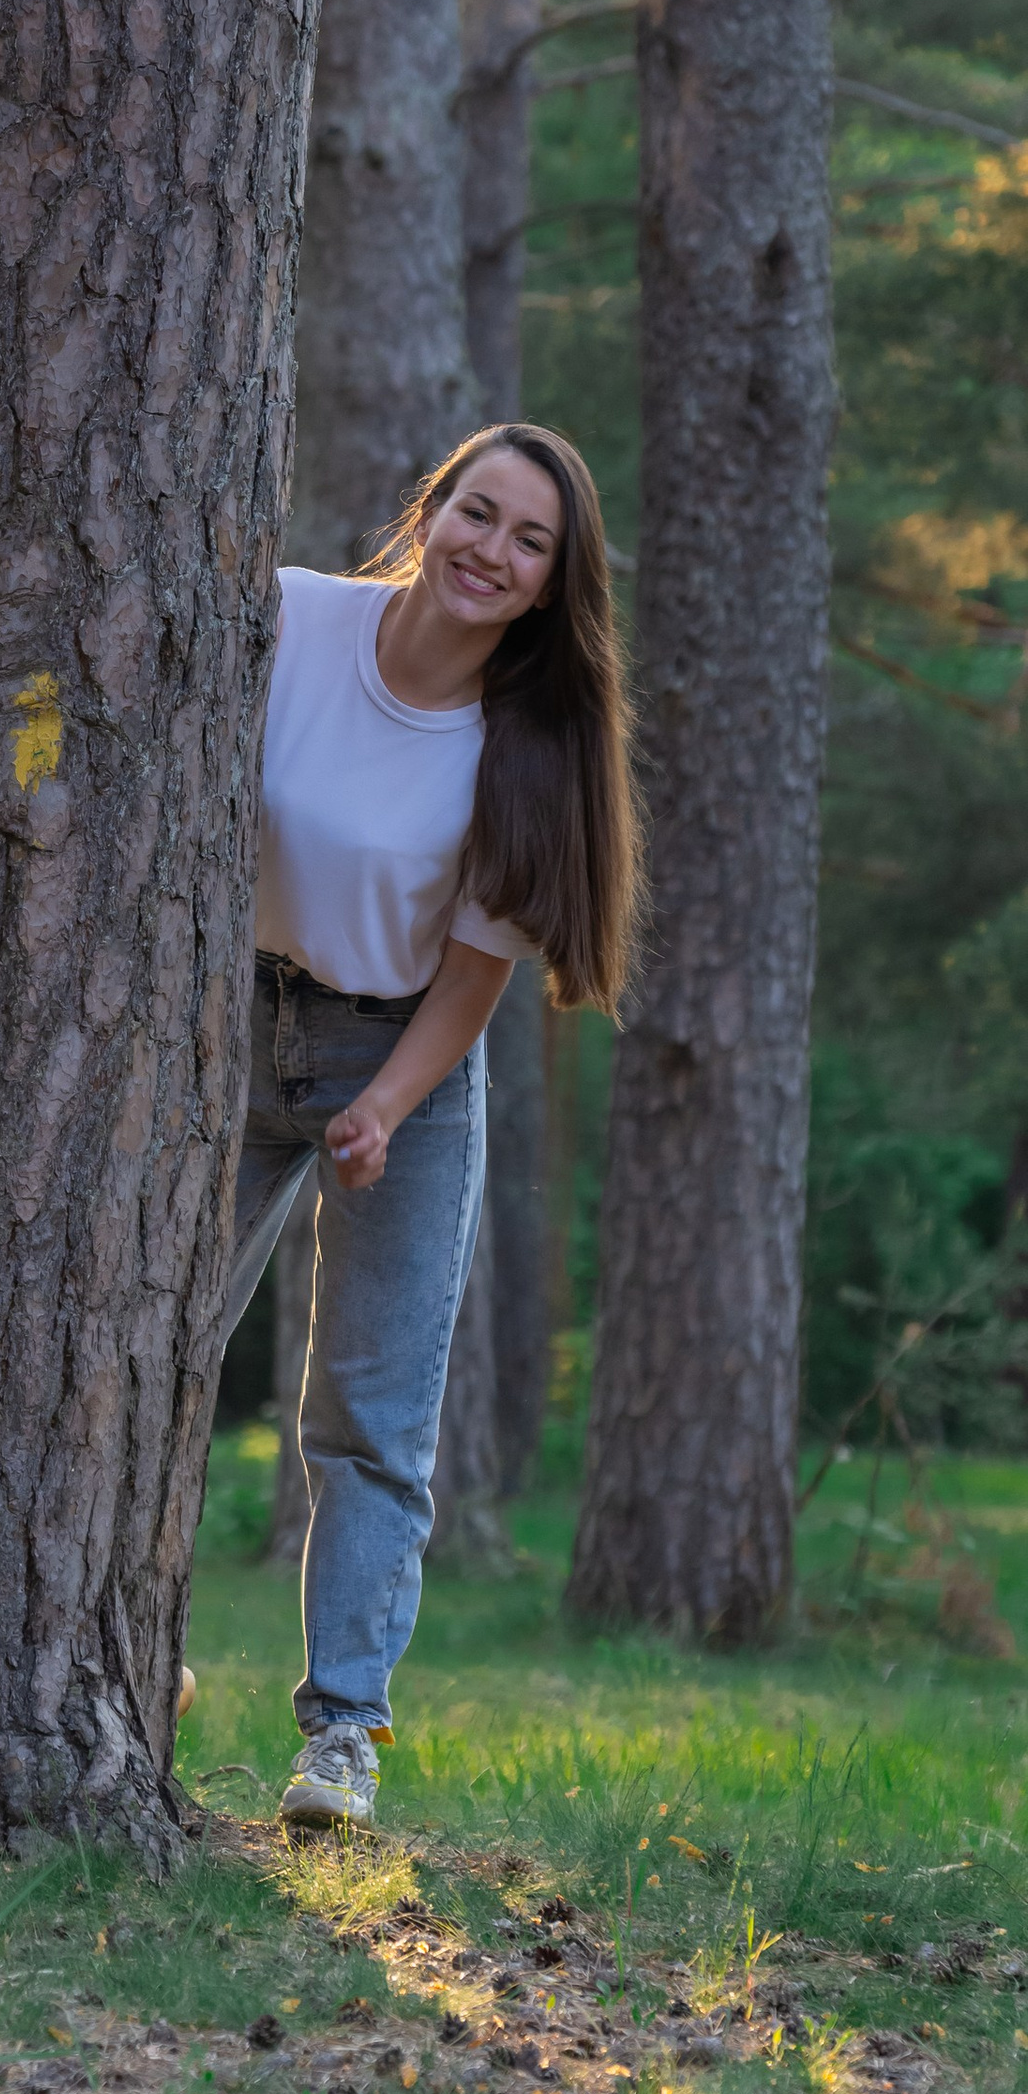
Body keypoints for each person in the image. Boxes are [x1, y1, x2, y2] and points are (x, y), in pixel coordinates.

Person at [222, 423, 641, 1832]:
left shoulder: (526, 751)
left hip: (399, 1050)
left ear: (547, 586)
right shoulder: (292, 616)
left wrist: (381, 1107)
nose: (493, 551)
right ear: (432, 510)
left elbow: (473, 976)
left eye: (531, 542)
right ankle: (106, 1660)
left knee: (371, 1415)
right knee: (139, 1361)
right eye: (480, 513)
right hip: (222, 1027)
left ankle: (341, 1733)